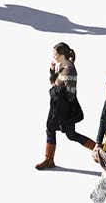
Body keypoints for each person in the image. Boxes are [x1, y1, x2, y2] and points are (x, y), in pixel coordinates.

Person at [36, 42, 96, 170]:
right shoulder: (61, 66)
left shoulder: (69, 70)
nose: (54, 56)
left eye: (55, 54)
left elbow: (70, 93)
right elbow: (54, 84)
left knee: (71, 134)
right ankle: (49, 159)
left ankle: (99, 151)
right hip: (57, 106)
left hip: (64, 108)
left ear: (62, 55)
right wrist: (52, 72)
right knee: (51, 128)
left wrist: (55, 91)